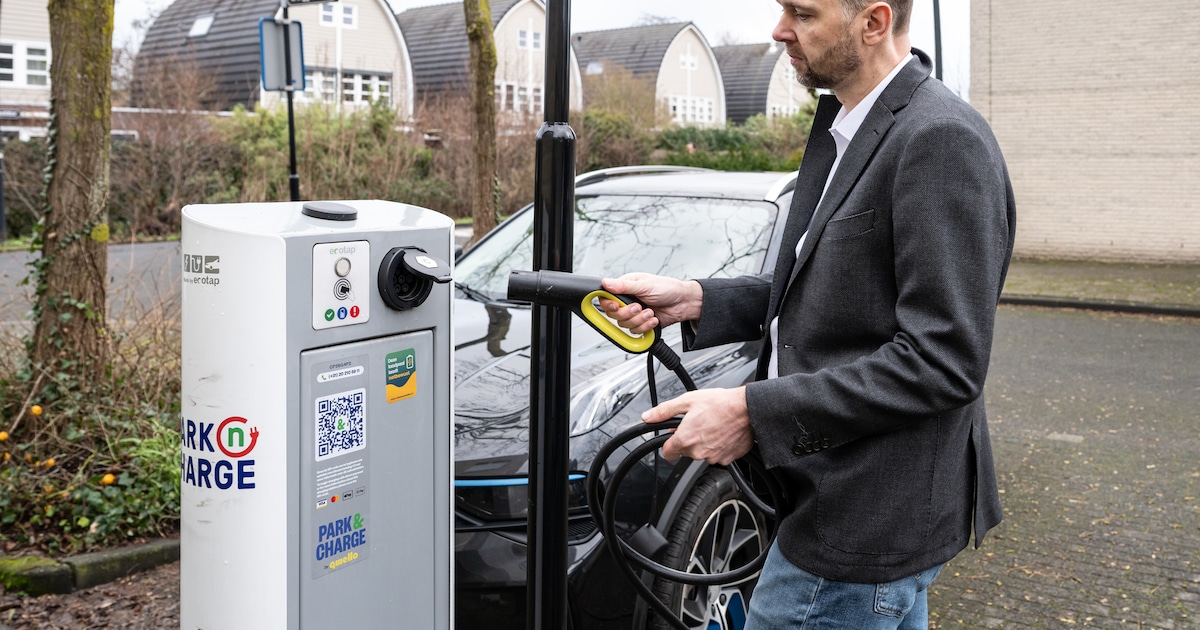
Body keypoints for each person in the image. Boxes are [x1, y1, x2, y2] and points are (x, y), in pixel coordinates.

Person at [599, 0, 1016, 627]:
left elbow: (944, 361)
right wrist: (697, 299)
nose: (778, 30)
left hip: (859, 527)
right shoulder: (850, 126)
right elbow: (834, 288)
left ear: (873, 23)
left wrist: (749, 411)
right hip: (847, 513)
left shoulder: (938, 140)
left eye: (803, 12)